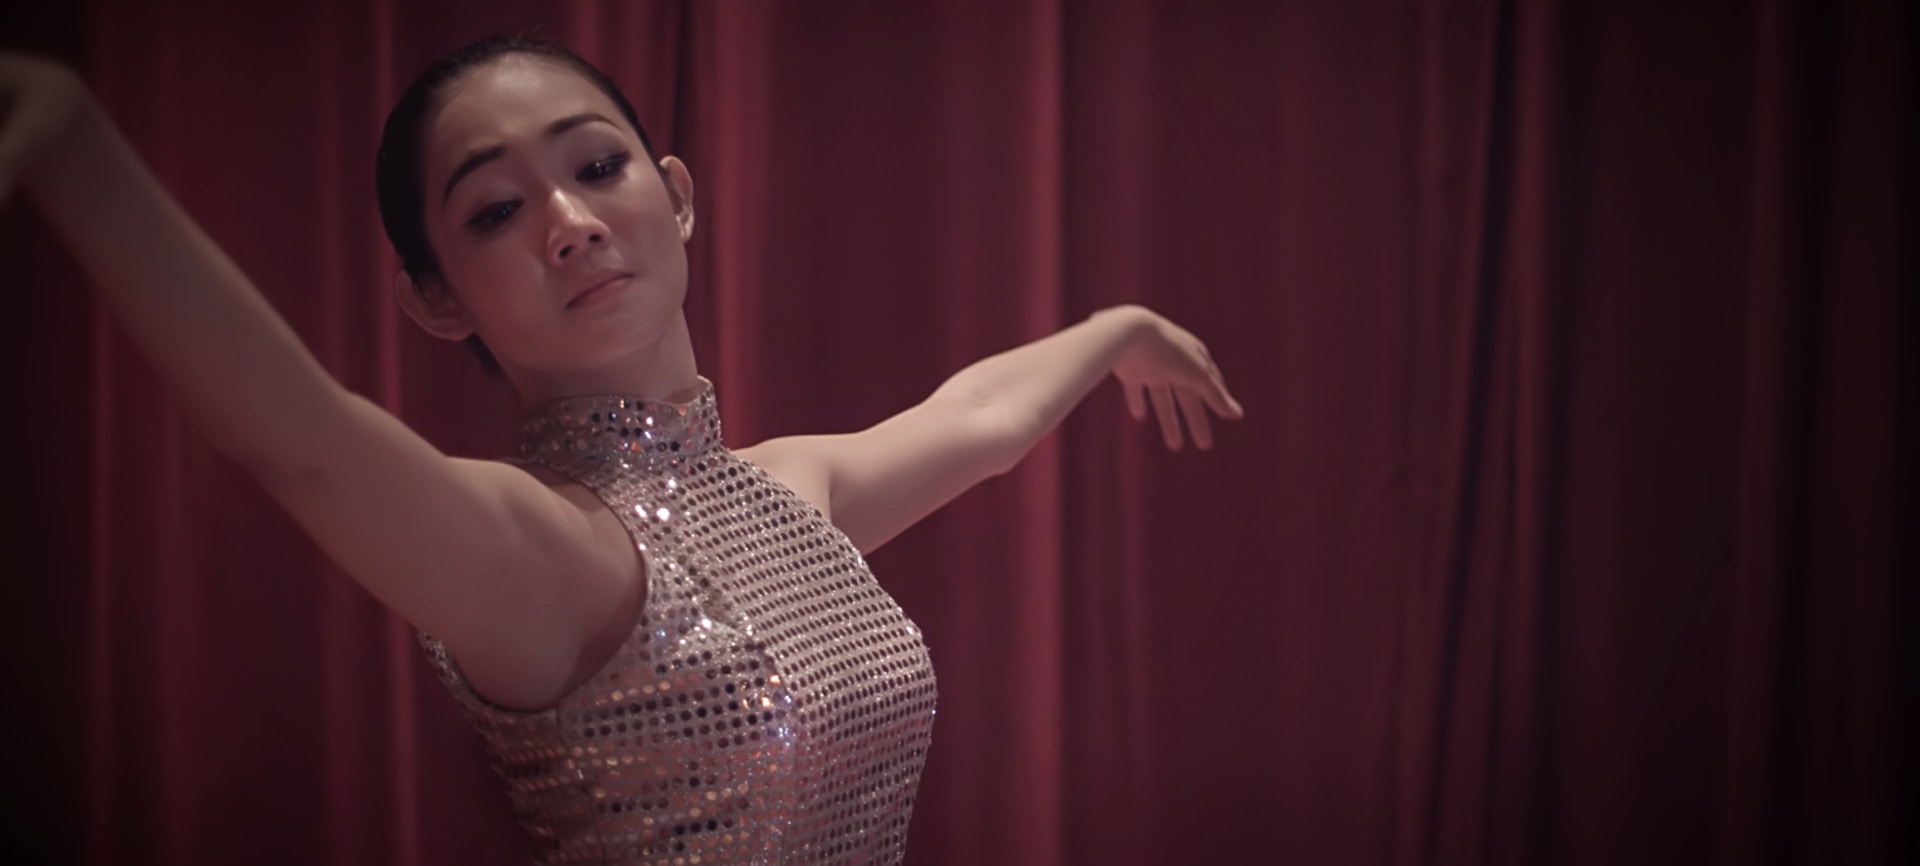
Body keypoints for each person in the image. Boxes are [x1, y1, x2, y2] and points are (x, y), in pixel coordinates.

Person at [0, 34, 1243, 865]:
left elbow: (982, 421)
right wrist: (71, 148)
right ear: (435, 298)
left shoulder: (782, 489)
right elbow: (302, 441)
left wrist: (1113, 328)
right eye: (496, 208)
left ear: (679, 195)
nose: (571, 224)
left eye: (596, 166)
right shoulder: (539, 551)